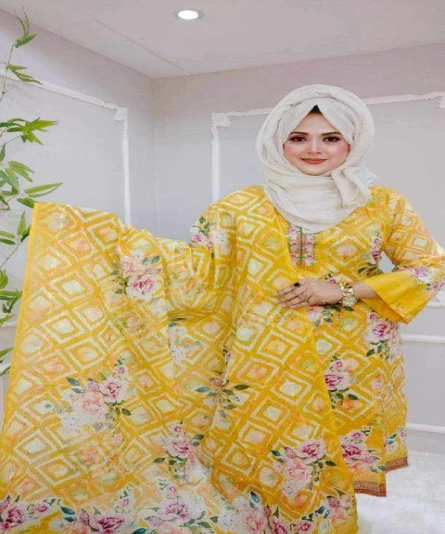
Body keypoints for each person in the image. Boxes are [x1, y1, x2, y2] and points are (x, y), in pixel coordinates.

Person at [0, 84, 444, 534]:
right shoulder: (240, 207)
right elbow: (199, 271)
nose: (314, 149)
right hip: (263, 353)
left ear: (353, 142)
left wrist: (342, 289)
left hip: (349, 358)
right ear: (278, 141)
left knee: (327, 453)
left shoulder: (380, 203)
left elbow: (429, 266)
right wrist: (99, 240)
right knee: (267, 446)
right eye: (298, 137)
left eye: (330, 138)